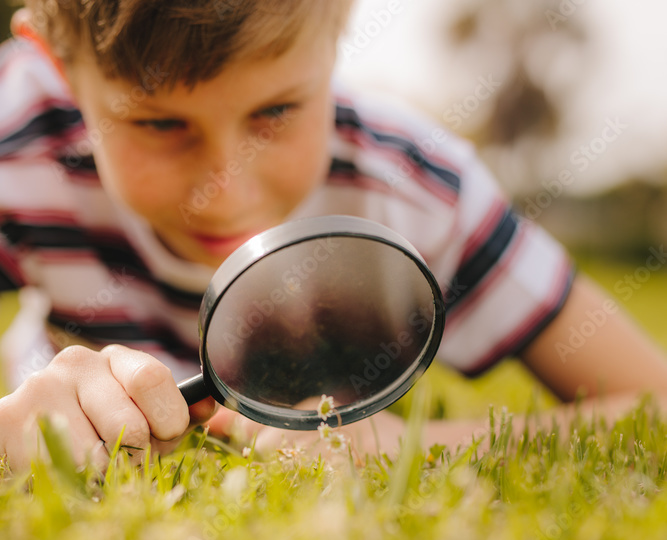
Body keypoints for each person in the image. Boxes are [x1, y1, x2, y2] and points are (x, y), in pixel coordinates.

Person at [0, 0, 666, 473]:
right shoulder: (16, 141)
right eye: (158, 124)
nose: (226, 191)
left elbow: (654, 404)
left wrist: (423, 444)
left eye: (277, 111)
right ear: (57, 66)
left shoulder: (418, 190)